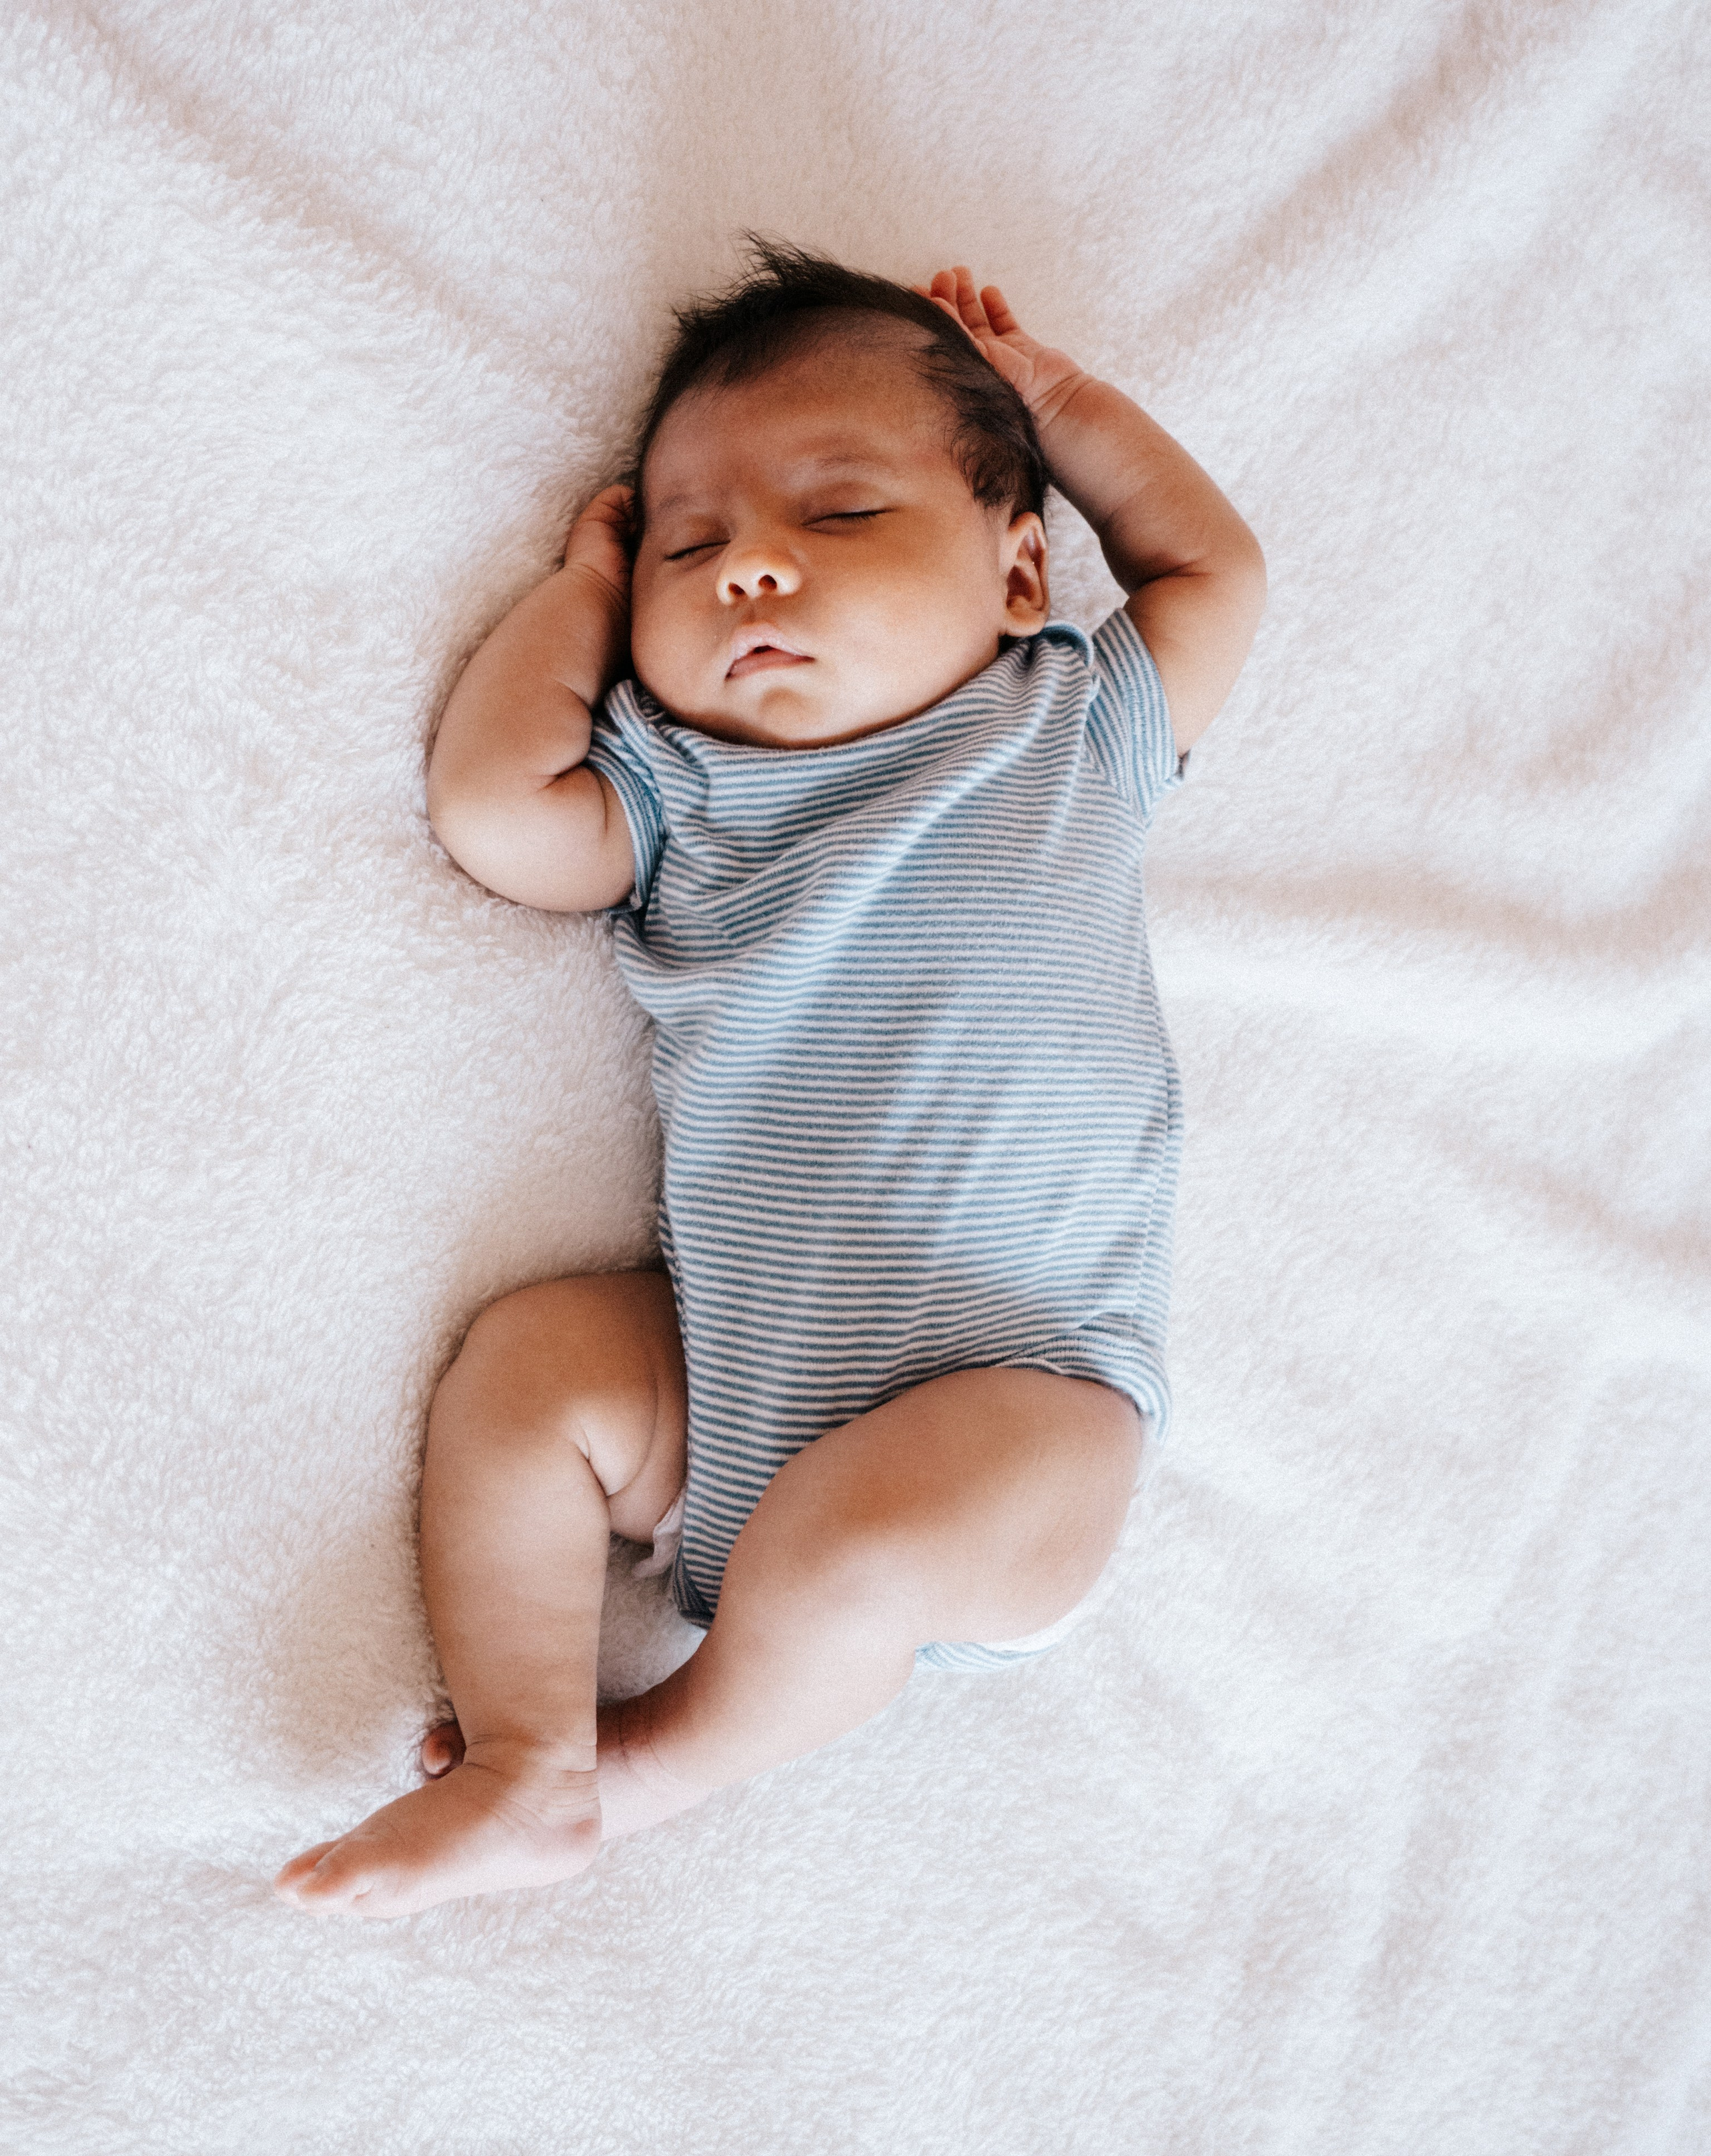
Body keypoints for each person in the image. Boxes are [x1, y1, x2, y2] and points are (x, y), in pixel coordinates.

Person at [274, 243, 1265, 1918]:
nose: (751, 573)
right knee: (529, 1371)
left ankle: (638, 1764)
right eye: (690, 542)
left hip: (1020, 1412)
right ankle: (526, 1752)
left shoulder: (1065, 725)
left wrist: (1054, 398)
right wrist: (579, 593)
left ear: (1020, 576)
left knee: (847, 1552)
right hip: (727, 1386)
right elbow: (499, 816)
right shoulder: (675, 787)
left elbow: (1208, 565)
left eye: (842, 516)